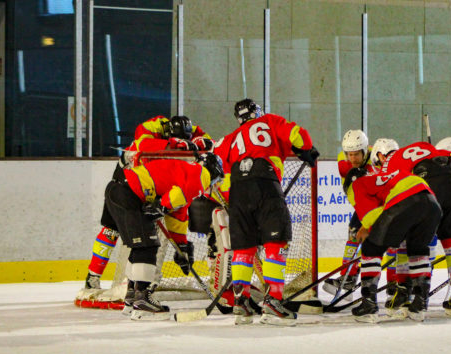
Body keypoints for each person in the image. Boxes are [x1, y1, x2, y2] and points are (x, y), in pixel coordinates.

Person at [78, 116, 210, 301]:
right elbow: (142, 142)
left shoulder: (190, 132)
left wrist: (181, 244)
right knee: (125, 235)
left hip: (137, 187)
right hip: (128, 182)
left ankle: (133, 288)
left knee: (135, 239)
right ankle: (124, 288)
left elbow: (207, 142)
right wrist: (173, 145)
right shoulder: (156, 128)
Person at [213, 98, 319, 326]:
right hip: (265, 180)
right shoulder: (269, 121)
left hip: (237, 191)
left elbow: (216, 168)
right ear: (257, 112)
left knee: (243, 248)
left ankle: (241, 302)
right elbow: (300, 135)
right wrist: (306, 150)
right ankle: (273, 301)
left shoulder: (229, 139)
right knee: (276, 241)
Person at [103, 153, 224, 320]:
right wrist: (162, 206)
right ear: (214, 172)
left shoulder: (187, 175)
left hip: (119, 191)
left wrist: (181, 246)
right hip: (128, 193)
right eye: (217, 181)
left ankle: (133, 296)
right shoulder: (201, 175)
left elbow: (177, 215)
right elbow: (176, 197)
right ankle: (142, 300)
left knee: (141, 245)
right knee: (148, 244)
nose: (214, 185)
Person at [344, 148, 441, 323]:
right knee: (417, 249)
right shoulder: (384, 177)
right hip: (432, 203)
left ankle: (368, 304)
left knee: (370, 247)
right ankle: (419, 304)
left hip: (406, 199)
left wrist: (366, 229)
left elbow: (372, 217)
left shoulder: (357, 184)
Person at [383, 139, 451, 317]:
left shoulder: (387, 166)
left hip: (427, 180)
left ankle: (411, 296)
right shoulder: (431, 149)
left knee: (411, 240)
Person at [322, 129, 377, 297]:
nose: (352, 158)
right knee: (354, 235)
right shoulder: (343, 162)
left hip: (381, 206)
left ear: (365, 150)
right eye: (350, 154)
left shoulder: (376, 159)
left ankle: (398, 281)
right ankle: (349, 278)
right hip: (363, 207)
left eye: (356, 155)